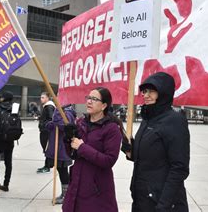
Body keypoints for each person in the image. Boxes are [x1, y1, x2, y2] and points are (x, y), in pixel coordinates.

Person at [122, 72, 190, 212]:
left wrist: (163, 205)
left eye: (152, 91)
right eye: (145, 91)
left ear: (164, 92)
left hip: (162, 203)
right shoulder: (147, 119)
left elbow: (179, 167)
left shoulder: (174, 121)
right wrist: (131, 150)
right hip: (142, 199)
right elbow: (151, 156)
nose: (146, 95)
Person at [62, 87, 124, 212]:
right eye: (88, 98)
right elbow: (73, 155)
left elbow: (109, 161)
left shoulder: (112, 129)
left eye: (94, 99)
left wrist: (82, 147)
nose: (89, 101)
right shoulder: (81, 123)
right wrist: (68, 140)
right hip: (77, 186)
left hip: (96, 190)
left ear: (104, 105)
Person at [45, 105, 76, 204]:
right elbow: (56, 124)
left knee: (63, 172)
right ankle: (65, 193)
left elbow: (63, 126)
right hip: (57, 147)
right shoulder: (63, 111)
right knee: (61, 170)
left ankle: (66, 195)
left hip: (62, 148)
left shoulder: (67, 112)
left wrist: (58, 111)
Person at [37, 92, 54, 173]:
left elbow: (51, 119)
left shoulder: (49, 107)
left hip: (46, 131)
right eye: (41, 97)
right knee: (46, 148)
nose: (41, 99)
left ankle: (47, 166)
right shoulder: (46, 107)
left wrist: (43, 125)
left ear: (48, 98)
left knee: (47, 148)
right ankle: (47, 165)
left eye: (43, 97)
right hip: (45, 131)